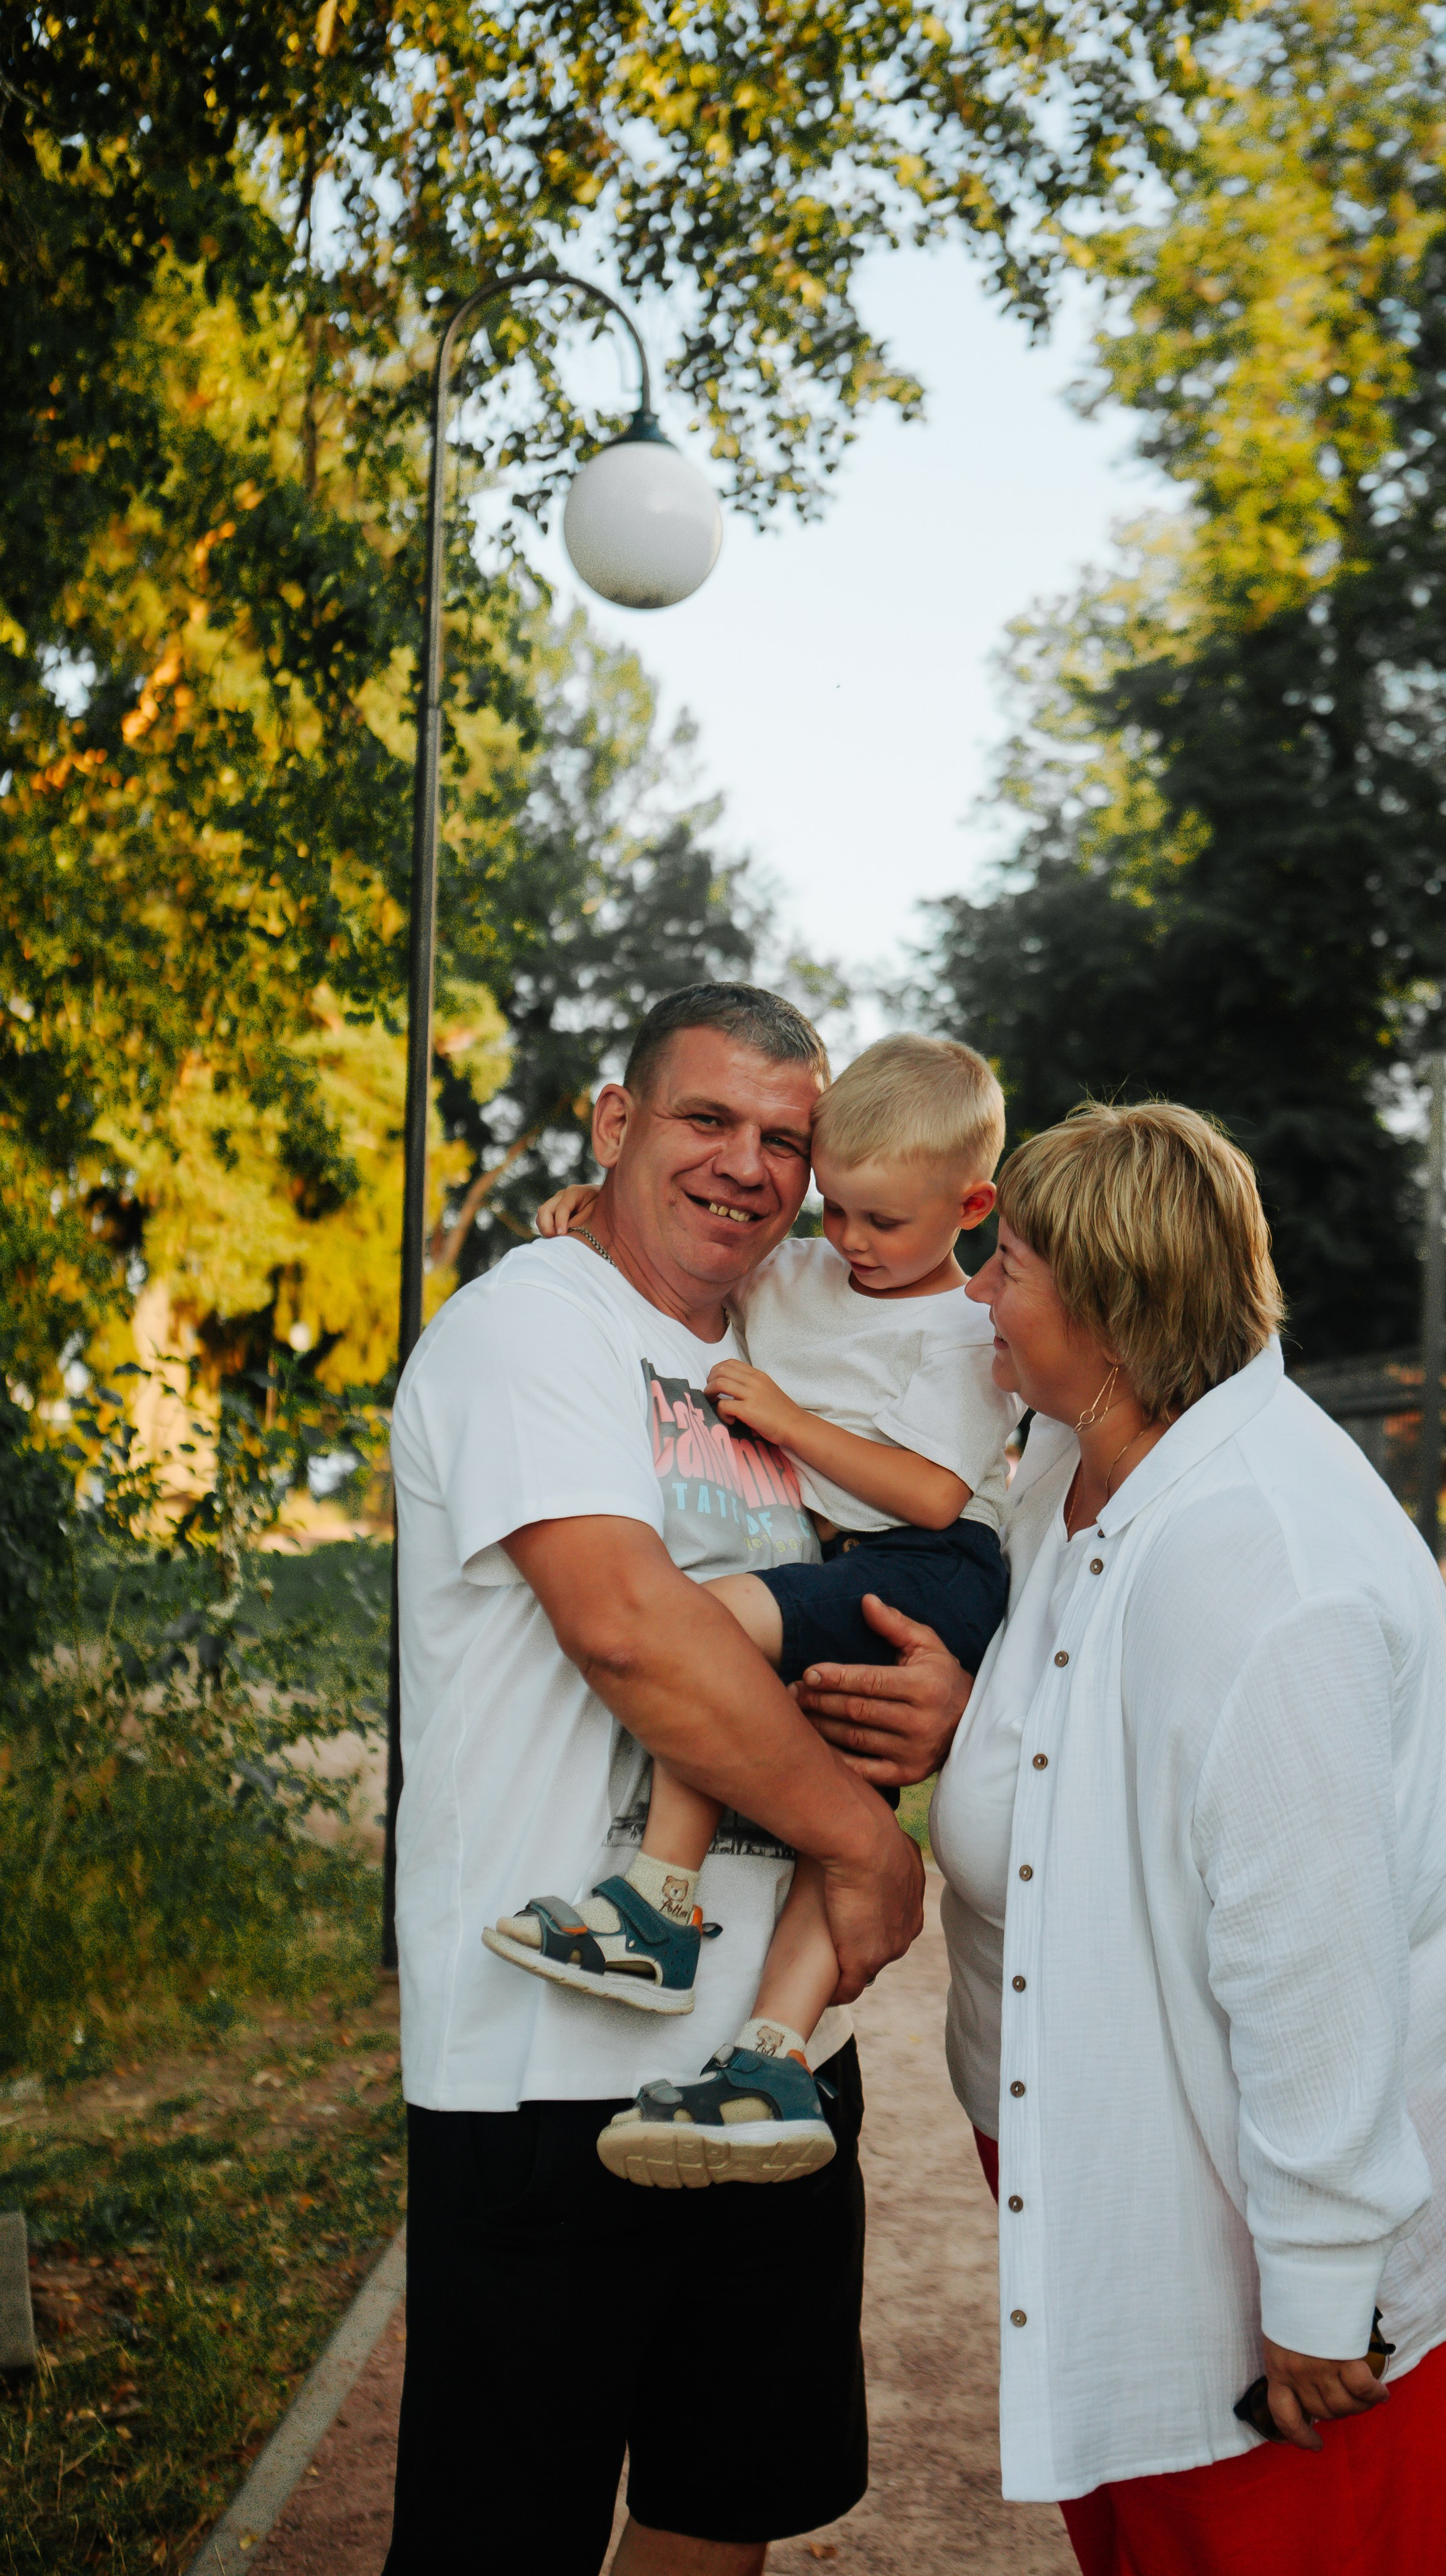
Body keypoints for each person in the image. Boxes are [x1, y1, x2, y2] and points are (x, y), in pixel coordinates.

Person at [794, 1101, 1446, 2576]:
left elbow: (1316, 1958)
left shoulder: (1263, 1572)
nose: (974, 1289)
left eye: (1004, 1263)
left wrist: (1322, 2285)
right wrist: (978, 1722)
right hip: (1128, 2145)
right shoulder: (1075, 1455)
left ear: (1108, 1306)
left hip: (1285, 2208)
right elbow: (1097, 1703)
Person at [382, 983, 923, 2576]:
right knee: (506, 2536)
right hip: (545, 2065)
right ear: (614, 1125)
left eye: (785, 1139)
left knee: (720, 2501)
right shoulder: (532, 1323)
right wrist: (864, 1854)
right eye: (706, 1120)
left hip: (767, 2064)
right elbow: (627, 1629)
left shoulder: (783, 1353)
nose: (747, 1165)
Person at [499, 1034, 1020, 2187]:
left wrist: (784, 1421)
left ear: (971, 1203)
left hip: (930, 1562)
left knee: (709, 1629)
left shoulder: (964, 1331)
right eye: (834, 1211)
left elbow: (935, 1491)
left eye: (883, 1222)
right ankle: (773, 2058)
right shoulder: (802, 1275)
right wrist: (600, 1207)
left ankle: (657, 1903)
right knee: (839, 1815)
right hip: (848, 1562)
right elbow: (702, 1251)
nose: (849, 1242)